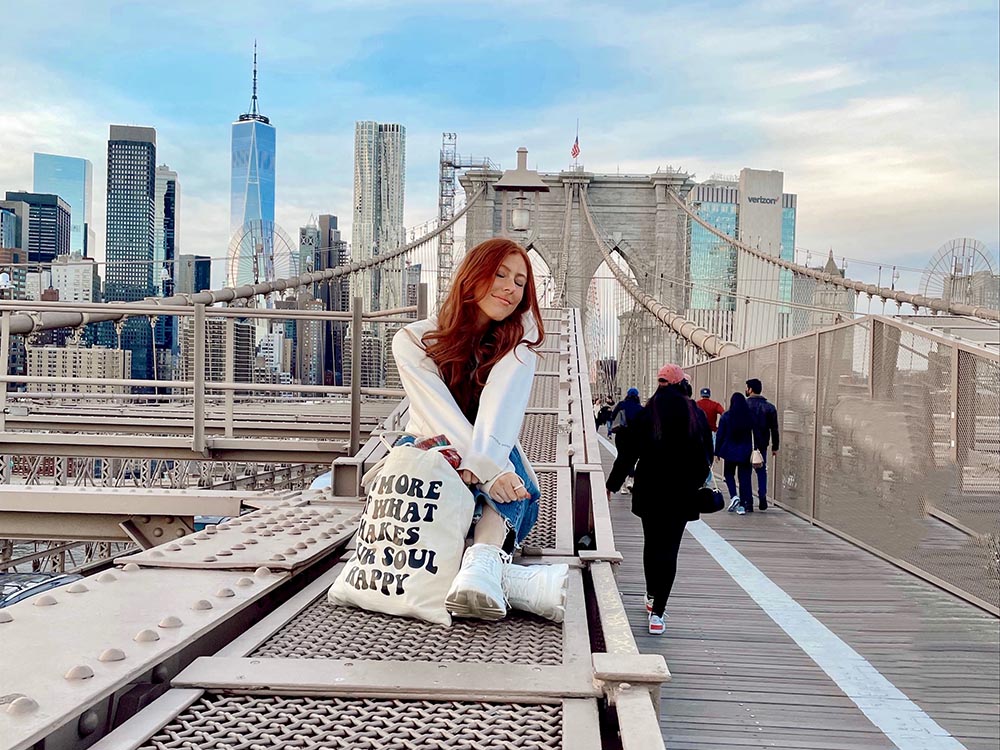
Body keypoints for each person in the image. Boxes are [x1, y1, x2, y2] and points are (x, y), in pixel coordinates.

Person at [392, 238, 569, 622]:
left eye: (520, 282)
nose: (510, 287)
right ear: (471, 277)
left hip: (490, 445)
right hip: (432, 445)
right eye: (500, 274)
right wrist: (489, 473)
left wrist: (487, 463)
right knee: (505, 480)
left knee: (515, 481)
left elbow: (500, 411)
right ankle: (504, 579)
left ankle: (483, 564)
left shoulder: (517, 345)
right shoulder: (411, 340)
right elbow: (435, 412)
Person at [605, 363, 713, 635]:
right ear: (681, 385)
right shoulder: (694, 414)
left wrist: (612, 485)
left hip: (650, 491)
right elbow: (706, 457)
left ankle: (651, 595)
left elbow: (628, 454)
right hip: (681, 494)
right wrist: (696, 482)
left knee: (651, 545)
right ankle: (659, 614)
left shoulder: (646, 413)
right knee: (670, 551)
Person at [715, 392, 754, 515]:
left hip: (730, 451)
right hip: (745, 451)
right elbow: (756, 433)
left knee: (728, 474)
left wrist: (717, 452)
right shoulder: (749, 417)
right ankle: (743, 505)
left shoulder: (726, 416)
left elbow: (720, 435)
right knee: (744, 478)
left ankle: (733, 495)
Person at [745, 378, 780, 511]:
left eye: (747, 388)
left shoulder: (743, 405)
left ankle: (748, 501)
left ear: (750, 389)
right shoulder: (770, 407)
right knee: (761, 470)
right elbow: (774, 429)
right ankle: (762, 495)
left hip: (745, 443)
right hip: (762, 444)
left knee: (745, 472)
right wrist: (775, 446)